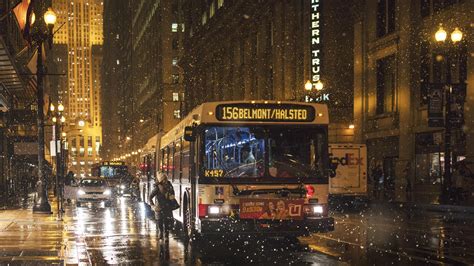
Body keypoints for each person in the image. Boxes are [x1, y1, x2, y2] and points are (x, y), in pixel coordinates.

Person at [149, 172, 176, 240]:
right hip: (160, 207)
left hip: (167, 207)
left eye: (166, 179)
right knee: (160, 222)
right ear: (161, 180)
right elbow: (150, 197)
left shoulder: (169, 186)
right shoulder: (158, 187)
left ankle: (166, 235)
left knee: (167, 222)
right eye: (164, 179)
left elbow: (173, 193)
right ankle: (161, 234)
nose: (165, 181)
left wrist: (171, 196)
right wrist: (152, 205)